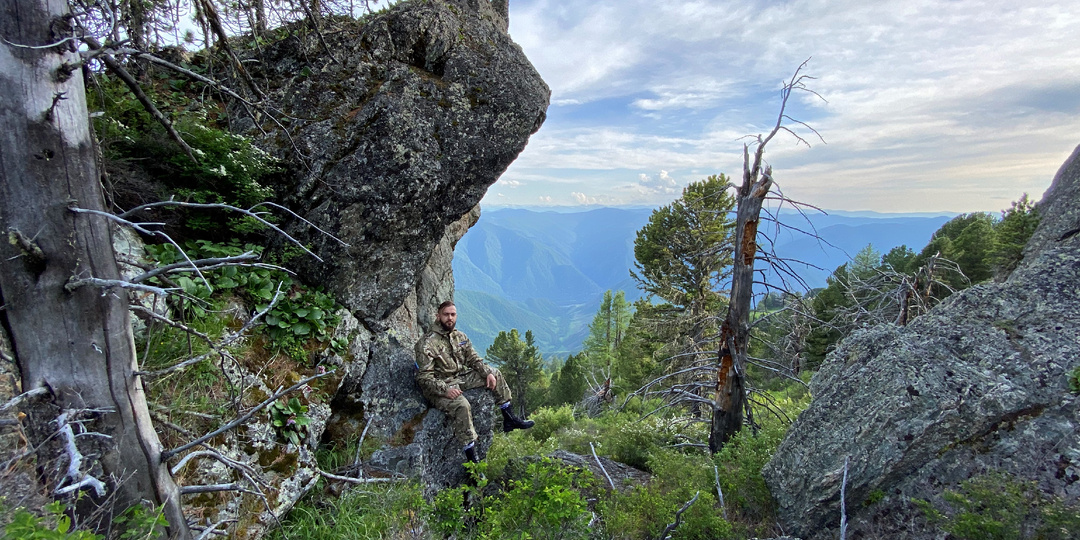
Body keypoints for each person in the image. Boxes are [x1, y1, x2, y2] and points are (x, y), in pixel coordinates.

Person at [416, 300, 534, 463]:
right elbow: (424, 378)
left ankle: (510, 418)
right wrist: (445, 390)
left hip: (459, 378)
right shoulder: (426, 343)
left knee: (495, 373)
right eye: (446, 314)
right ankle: (473, 462)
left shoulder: (459, 337)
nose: (450, 318)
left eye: (453, 314)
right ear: (438, 316)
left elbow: (473, 358)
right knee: (462, 405)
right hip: (440, 387)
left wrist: (487, 373)